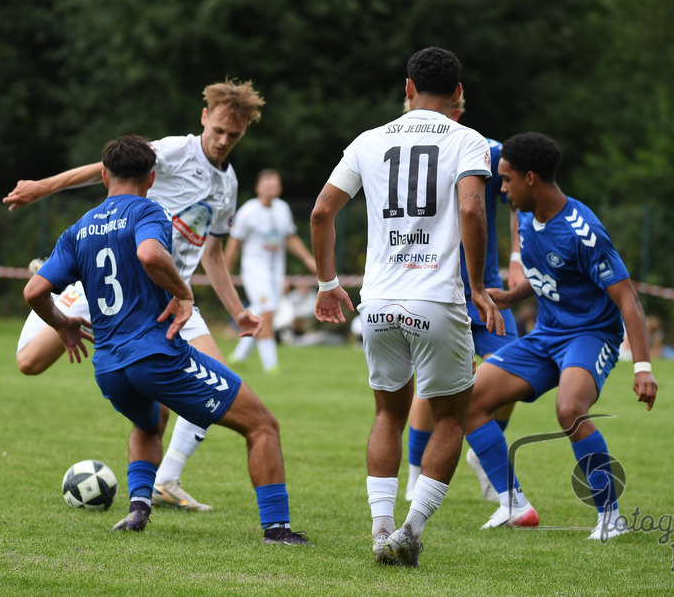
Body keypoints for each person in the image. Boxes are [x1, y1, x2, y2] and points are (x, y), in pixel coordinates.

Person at [23, 136, 310, 545]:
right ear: (152, 179)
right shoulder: (149, 210)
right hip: (155, 355)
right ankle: (277, 529)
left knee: (150, 421)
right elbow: (150, 255)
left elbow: (34, 291)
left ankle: (138, 509)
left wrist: (63, 324)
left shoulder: (79, 228)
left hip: (109, 366)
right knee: (263, 425)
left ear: (103, 176)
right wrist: (183, 294)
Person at [5, 79, 265, 512]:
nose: (223, 141)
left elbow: (213, 255)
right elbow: (105, 168)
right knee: (29, 363)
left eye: (233, 136)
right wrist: (42, 187)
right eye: (218, 130)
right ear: (205, 117)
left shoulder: (228, 185)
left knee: (220, 379)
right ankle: (70, 281)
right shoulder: (176, 150)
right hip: (117, 279)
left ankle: (166, 480)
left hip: (170, 300)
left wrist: (239, 313)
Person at [310, 46, 505, 566]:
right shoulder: (468, 140)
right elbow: (471, 209)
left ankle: (380, 529)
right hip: (436, 298)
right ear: (458, 93)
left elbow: (322, 211)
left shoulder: (368, 140)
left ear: (408, 88)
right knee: (451, 417)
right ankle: (411, 530)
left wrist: (328, 283)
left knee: (387, 413)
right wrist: (478, 286)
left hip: (377, 301)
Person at [463, 131, 658, 541]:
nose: (502, 189)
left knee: (569, 409)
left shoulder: (583, 231)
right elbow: (548, 275)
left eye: (507, 179)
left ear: (530, 178)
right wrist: (511, 295)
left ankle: (611, 517)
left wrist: (643, 367)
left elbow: (628, 300)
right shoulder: (527, 217)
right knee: (468, 400)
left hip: (590, 335)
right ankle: (514, 504)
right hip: (547, 335)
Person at [400, 92, 523, 505]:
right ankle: (415, 475)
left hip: (485, 288)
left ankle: (483, 453)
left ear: (454, 110)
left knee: (513, 373)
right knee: (430, 384)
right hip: (433, 287)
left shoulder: (487, 150)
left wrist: (517, 256)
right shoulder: (406, 151)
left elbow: (517, 201)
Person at [224, 169, 317, 372]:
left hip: (276, 271)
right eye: (266, 184)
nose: (271, 188)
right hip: (254, 270)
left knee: (263, 311)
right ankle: (270, 365)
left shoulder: (282, 208)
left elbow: (290, 237)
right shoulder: (248, 211)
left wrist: (308, 259)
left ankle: (238, 356)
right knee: (266, 311)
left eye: (275, 184)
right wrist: (225, 272)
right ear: (258, 187)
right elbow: (234, 242)